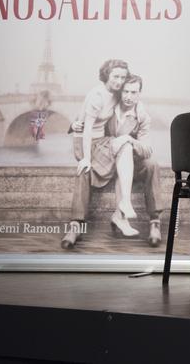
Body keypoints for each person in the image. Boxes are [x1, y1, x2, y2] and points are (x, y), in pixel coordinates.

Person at [61, 58, 135, 248]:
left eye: (122, 77)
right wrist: (85, 158)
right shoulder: (97, 95)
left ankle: (120, 209)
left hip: (101, 141)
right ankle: (76, 225)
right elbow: (86, 129)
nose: (119, 81)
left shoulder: (118, 93)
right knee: (85, 170)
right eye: (115, 76)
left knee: (124, 146)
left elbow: (132, 100)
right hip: (86, 141)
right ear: (106, 75)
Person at [109, 74, 163, 246]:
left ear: (139, 94)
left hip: (129, 163)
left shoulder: (142, 116)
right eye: (125, 91)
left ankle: (155, 221)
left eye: (134, 92)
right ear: (120, 91)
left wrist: (129, 139)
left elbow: (147, 149)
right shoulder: (108, 109)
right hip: (107, 160)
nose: (129, 97)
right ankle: (118, 216)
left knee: (152, 163)